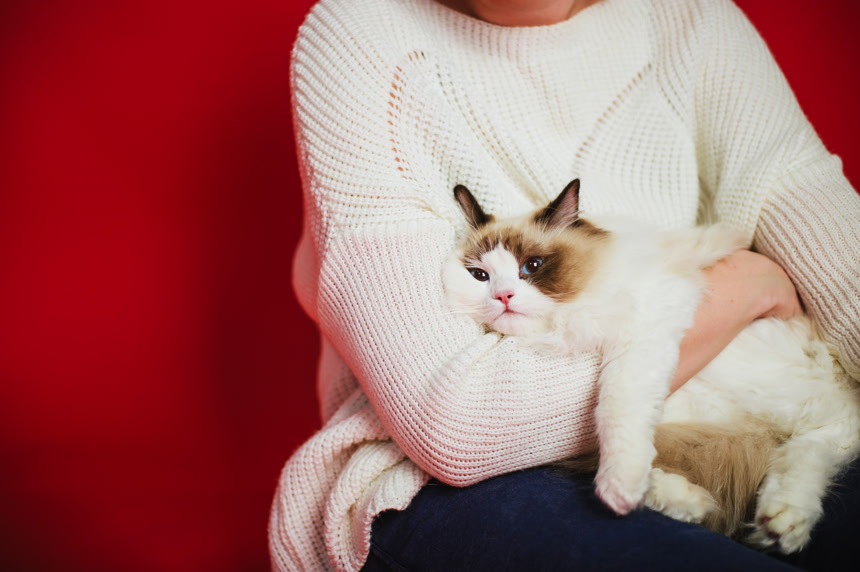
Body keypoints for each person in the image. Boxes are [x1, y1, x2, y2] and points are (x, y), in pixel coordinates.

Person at [269, 0, 860, 569]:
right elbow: (453, 427)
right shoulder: (363, 33)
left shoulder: (693, 17)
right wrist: (738, 291)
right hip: (445, 478)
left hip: (728, 404)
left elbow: (816, 219)